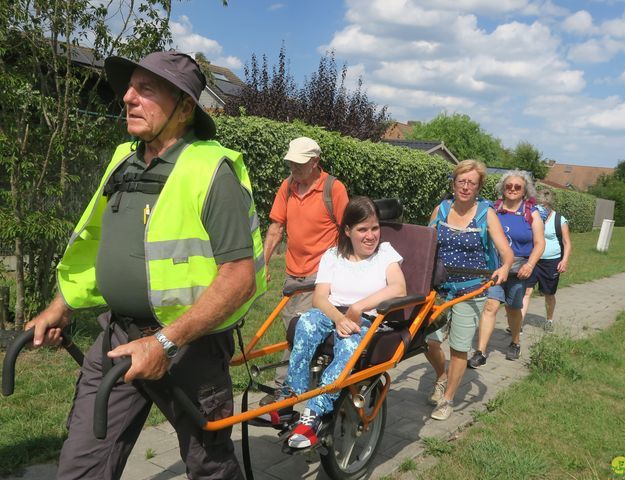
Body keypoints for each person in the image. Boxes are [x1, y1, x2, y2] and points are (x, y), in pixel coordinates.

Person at [25, 51, 266, 479]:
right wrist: (61, 304)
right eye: (130, 87)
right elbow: (96, 242)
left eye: (146, 89)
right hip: (117, 336)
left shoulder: (212, 172)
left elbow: (239, 278)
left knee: (209, 465)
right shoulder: (125, 160)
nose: (128, 98)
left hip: (190, 349)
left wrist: (165, 344)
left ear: (185, 107)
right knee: (82, 461)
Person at [282, 196, 406, 448]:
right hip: (333, 312)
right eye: (362, 229)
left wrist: (358, 308)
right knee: (305, 322)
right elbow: (319, 298)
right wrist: (339, 317)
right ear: (347, 231)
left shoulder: (385, 253)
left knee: (349, 347)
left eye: (374, 228)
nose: (371, 235)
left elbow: (399, 288)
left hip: (367, 317)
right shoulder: (333, 255)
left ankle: (315, 411)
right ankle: (291, 395)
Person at [261, 136, 349, 404]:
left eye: (299, 165)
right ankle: (309, 376)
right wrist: (262, 264)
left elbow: (348, 231)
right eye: (290, 164)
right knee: (292, 326)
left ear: (315, 162)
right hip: (293, 273)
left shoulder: (333, 189)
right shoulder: (287, 186)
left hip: (321, 275)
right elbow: (276, 228)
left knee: (300, 330)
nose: (293, 170)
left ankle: (285, 388)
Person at [424, 160, 513, 421]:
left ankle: (448, 399)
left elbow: (506, 252)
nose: (465, 187)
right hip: (440, 289)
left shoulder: (486, 214)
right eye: (461, 181)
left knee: (459, 348)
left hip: (472, 290)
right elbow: (425, 244)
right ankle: (442, 376)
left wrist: (505, 267)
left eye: (471, 182)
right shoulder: (441, 209)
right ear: (453, 184)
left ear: (478, 187)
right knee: (428, 342)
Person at [468, 170, 545, 368]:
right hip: (495, 267)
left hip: (519, 269)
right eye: (508, 186)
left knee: (513, 308)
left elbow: (539, 243)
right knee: (491, 305)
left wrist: (530, 265)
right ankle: (481, 351)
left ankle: (515, 341)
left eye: (517, 187)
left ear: (524, 190)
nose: (512, 189)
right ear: (503, 188)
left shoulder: (531, 212)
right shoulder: (492, 209)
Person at [521, 188, 572, 331]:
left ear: (550, 206)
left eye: (544, 206)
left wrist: (564, 260)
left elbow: (567, 242)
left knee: (549, 294)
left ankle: (549, 320)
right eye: (538, 206)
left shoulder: (559, 220)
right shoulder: (532, 216)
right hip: (533, 260)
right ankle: (518, 322)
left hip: (551, 262)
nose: (541, 209)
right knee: (526, 291)